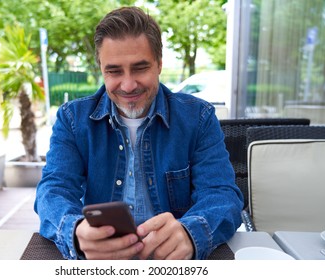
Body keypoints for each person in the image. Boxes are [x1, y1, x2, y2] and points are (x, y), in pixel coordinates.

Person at [34, 6, 243, 260]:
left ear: (159, 65)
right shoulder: (72, 120)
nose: (128, 84)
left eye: (140, 68)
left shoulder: (198, 118)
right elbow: (52, 191)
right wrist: (76, 232)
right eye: (114, 71)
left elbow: (222, 194)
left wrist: (191, 234)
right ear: (100, 68)